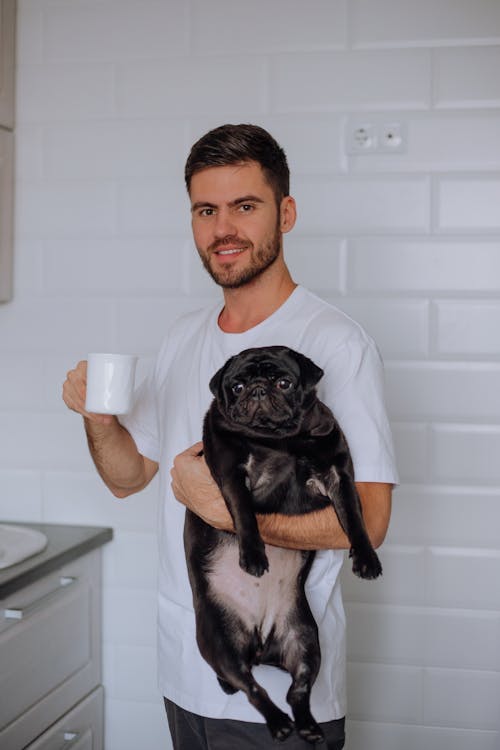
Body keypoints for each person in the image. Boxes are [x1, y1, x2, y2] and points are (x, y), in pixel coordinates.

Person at [63, 123, 398, 750]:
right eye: (206, 210)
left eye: (245, 206)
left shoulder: (336, 343)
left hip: (290, 691)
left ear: (286, 212)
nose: (224, 229)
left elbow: (370, 522)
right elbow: (128, 476)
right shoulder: (183, 337)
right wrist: (98, 419)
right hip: (190, 669)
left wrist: (221, 508)